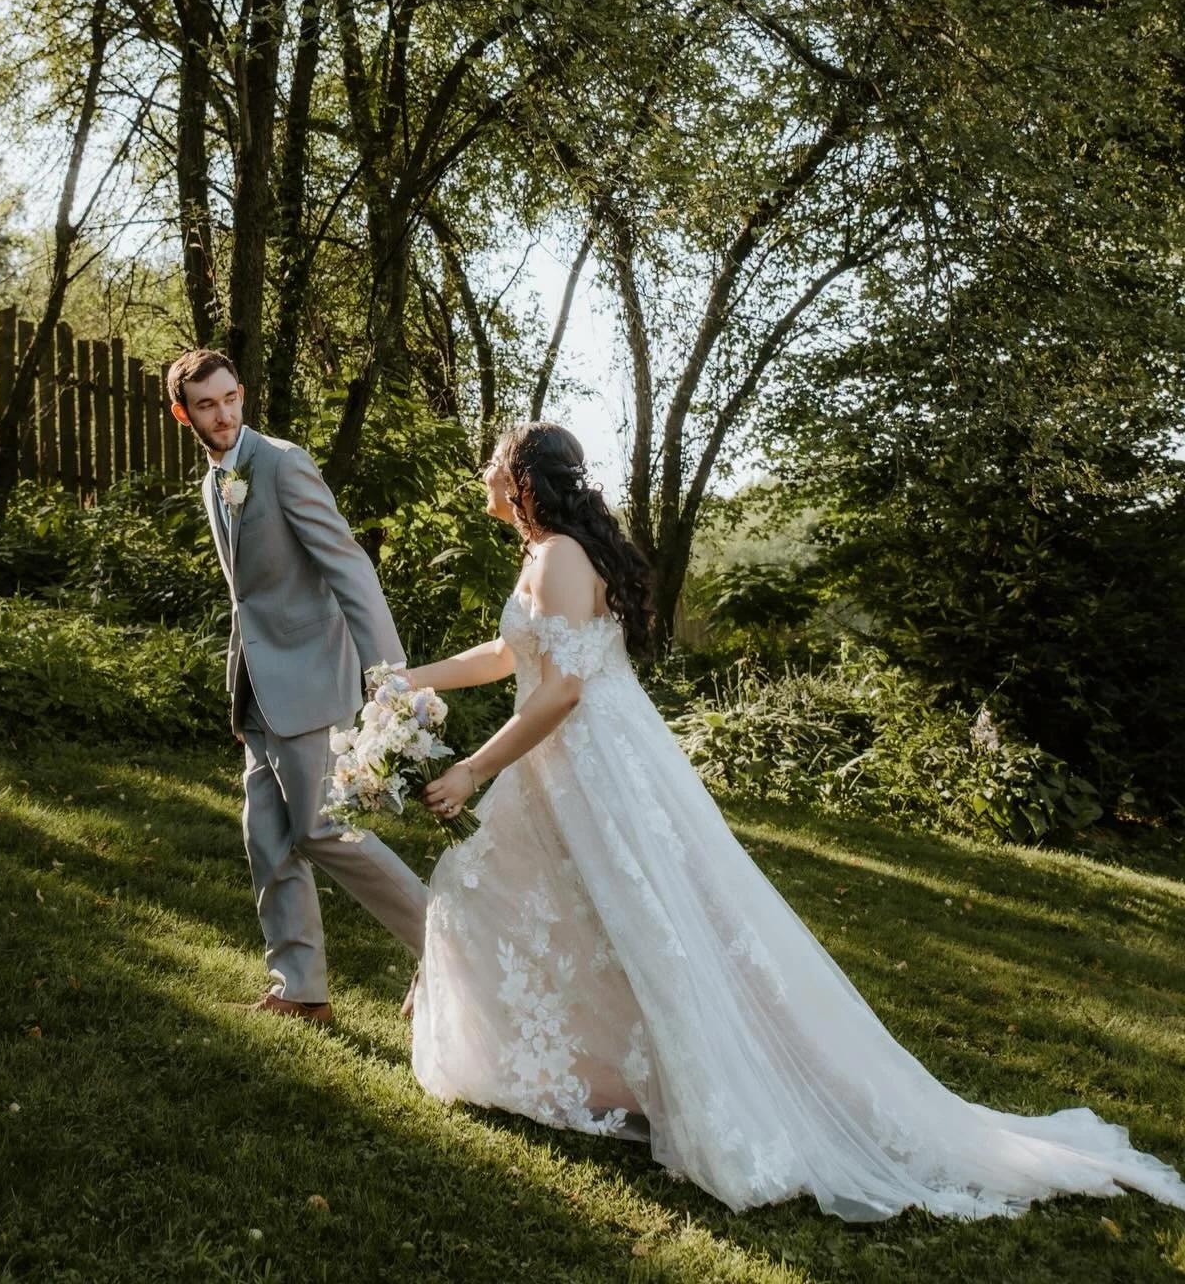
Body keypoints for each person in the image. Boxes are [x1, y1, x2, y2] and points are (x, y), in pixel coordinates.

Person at [402, 419, 1185, 1222]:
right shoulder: (544, 556)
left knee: (644, 923)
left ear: (525, 481)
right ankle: (594, 1069)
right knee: (542, 904)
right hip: (560, 770)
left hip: (596, 769)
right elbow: (508, 656)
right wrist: (406, 680)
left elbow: (562, 689)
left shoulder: (563, 555)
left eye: (495, 467)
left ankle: (698, 1079)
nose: (486, 480)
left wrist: (472, 768)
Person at [168, 347, 428, 1024]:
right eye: (206, 404)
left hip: (313, 675)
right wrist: (240, 690)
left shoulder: (282, 463)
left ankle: (447, 946)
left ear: (242, 394)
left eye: (229, 399)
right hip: (257, 687)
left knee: (322, 828)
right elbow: (248, 600)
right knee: (267, 837)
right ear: (183, 413)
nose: (222, 415)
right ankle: (301, 989)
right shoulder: (213, 482)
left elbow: (349, 567)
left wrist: (387, 677)